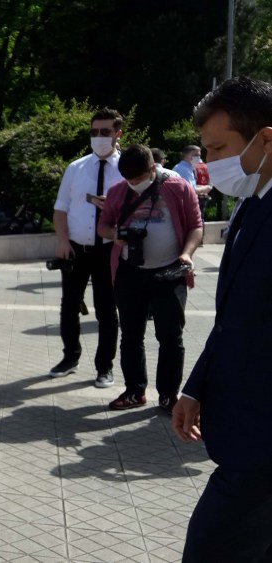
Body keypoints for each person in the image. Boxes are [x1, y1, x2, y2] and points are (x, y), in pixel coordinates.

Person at [172, 76, 272, 562]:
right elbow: (236, 317)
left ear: (266, 138)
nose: (208, 163)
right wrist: (196, 387)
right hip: (245, 438)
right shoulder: (253, 203)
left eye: (218, 149)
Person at [96, 145, 202, 413]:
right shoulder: (118, 191)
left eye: (139, 178)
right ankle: (135, 391)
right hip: (129, 272)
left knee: (170, 336)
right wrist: (115, 234)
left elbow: (196, 226)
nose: (134, 184)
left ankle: (168, 395)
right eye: (129, 180)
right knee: (131, 335)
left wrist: (186, 254)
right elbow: (103, 225)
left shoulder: (178, 188)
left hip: (169, 272)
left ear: (152, 168)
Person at [49, 108, 123, 387]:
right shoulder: (76, 168)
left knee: (107, 310)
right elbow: (61, 208)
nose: (99, 137)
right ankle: (70, 357)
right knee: (69, 305)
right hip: (76, 249)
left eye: (105, 132)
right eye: (94, 132)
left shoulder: (127, 167)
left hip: (109, 250)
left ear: (118, 134)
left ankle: (105, 367)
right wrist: (62, 239)